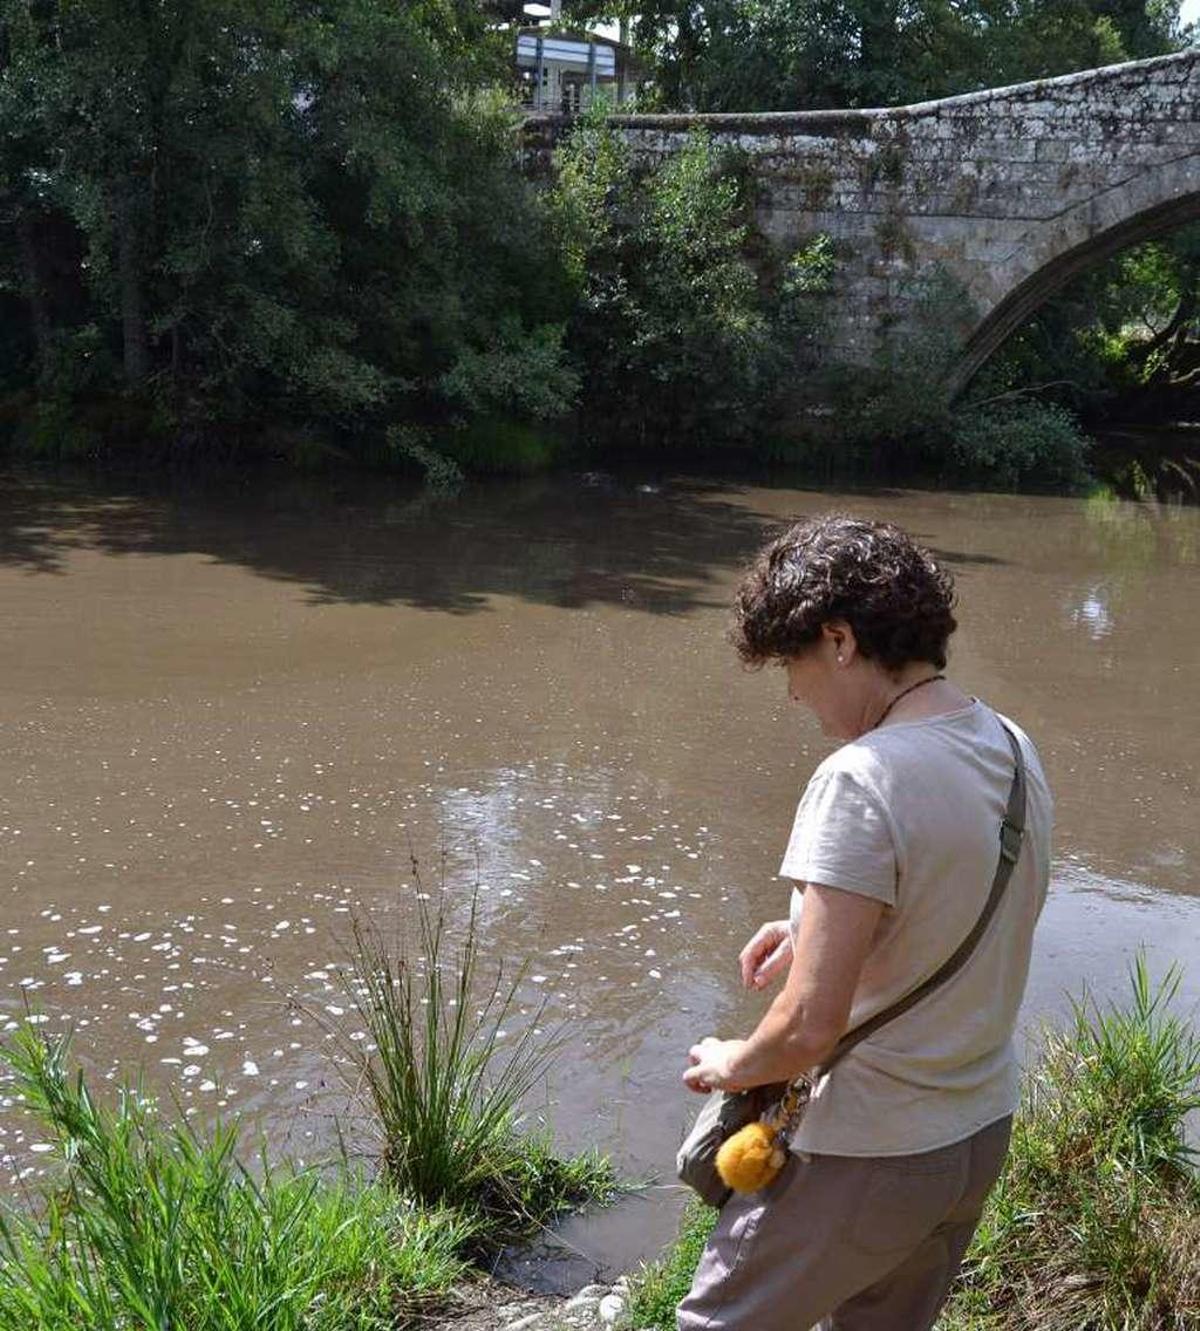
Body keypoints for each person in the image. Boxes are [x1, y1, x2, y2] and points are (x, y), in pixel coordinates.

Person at [678, 514, 1053, 1331]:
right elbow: (964, 904)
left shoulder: (861, 775)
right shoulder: (1012, 746)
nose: (793, 691)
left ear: (840, 640)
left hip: (865, 1150)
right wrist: (810, 921)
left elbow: (809, 1027)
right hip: (974, 1136)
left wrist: (731, 1063)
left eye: (794, 662)